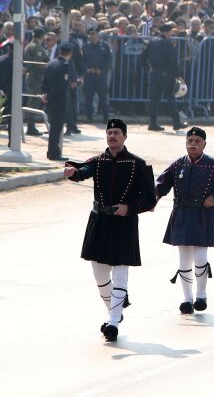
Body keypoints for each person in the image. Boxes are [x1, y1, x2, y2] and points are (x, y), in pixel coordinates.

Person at [63, 119, 157, 342]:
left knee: (121, 274)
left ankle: (113, 322)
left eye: (116, 133)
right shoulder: (98, 161)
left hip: (124, 223)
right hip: (100, 222)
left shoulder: (138, 164)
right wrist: (71, 173)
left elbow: (150, 200)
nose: (112, 136)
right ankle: (115, 310)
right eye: (109, 133)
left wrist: (129, 208)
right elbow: (83, 171)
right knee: (100, 274)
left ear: (125, 137)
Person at [155, 127, 214, 314]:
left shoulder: (212, 165)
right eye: (190, 140)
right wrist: (153, 200)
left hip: (203, 215)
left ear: (204, 144)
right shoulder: (178, 164)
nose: (193, 144)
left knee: (200, 258)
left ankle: (201, 295)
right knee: (184, 260)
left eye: (197, 141)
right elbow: (161, 185)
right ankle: (187, 300)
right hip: (182, 214)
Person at [144, 23, 186, 132]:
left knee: (154, 100)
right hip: (166, 75)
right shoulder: (168, 43)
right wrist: (178, 75)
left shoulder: (153, 41)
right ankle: (176, 123)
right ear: (167, 32)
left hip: (154, 73)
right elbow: (173, 61)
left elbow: (143, 56)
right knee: (171, 98)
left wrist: (147, 69)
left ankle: (152, 123)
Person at [41, 42, 73, 161]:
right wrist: (48, 96)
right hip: (58, 100)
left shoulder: (51, 63)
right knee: (56, 128)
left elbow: (44, 80)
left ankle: (52, 151)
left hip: (50, 100)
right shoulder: (64, 65)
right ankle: (54, 153)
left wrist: (44, 94)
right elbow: (60, 85)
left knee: (53, 127)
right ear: (70, 53)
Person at [80, 28, 112, 123]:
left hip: (100, 75)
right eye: (90, 34)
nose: (92, 36)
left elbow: (109, 60)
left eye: (94, 34)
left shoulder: (105, 46)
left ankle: (106, 117)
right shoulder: (85, 47)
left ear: (98, 35)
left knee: (103, 97)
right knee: (88, 97)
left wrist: (102, 70)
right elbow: (82, 61)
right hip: (89, 75)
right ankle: (89, 117)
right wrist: (88, 69)